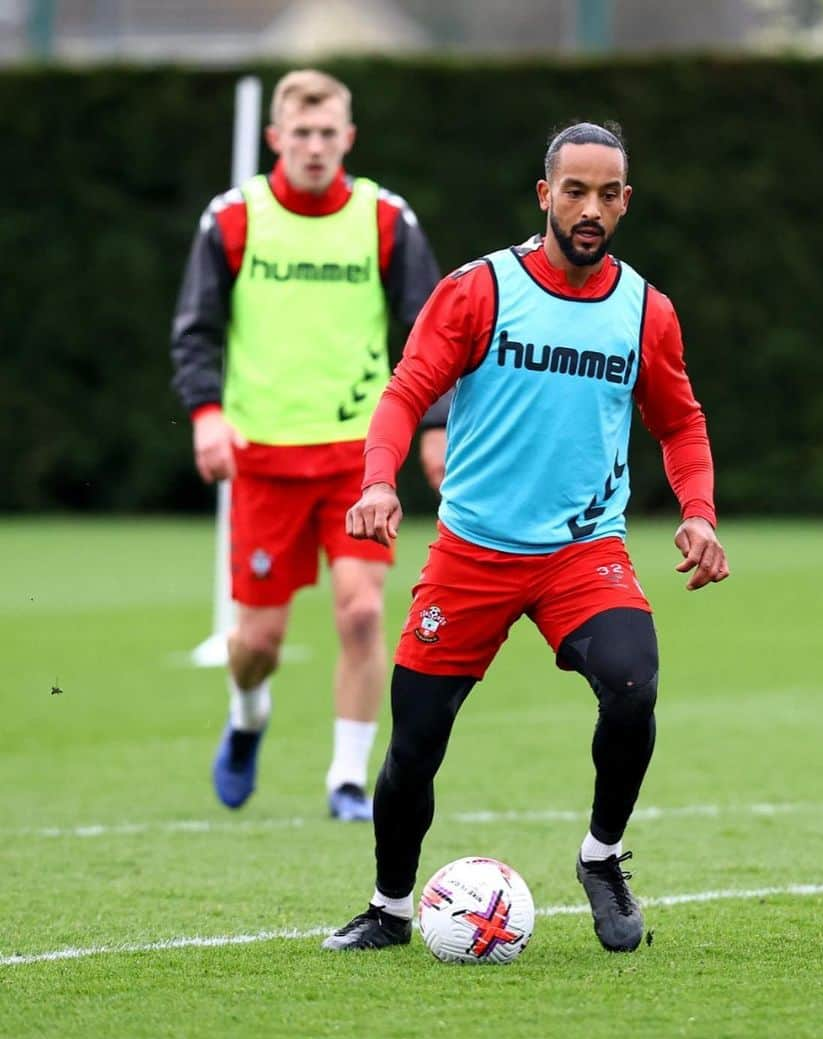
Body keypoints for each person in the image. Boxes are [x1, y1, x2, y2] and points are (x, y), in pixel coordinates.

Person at [322, 121, 728, 954]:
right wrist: (376, 482)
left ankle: (602, 857)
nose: (589, 208)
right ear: (545, 195)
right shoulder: (480, 291)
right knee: (415, 747)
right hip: (472, 551)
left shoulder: (645, 311)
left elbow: (679, 422)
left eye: (607, 194)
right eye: (574, 191)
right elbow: (404, 395)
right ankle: (391, 908)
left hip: (582, 552)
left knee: (633, 685)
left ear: (624, 203)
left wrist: (698, 511)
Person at [170, 69, 449, 822]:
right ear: (276, 139)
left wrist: (432, 424)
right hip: (263, 460)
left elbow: (429, 330)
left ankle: (348, 780)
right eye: (302, 133)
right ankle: (247, 718)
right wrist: (204, 414)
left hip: (362, 460)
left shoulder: (385, 218)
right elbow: (195, 329)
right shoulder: (234, 218)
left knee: (361, 614)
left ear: (349, 139)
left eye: (329, 134)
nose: (316, 146)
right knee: (258, 640)